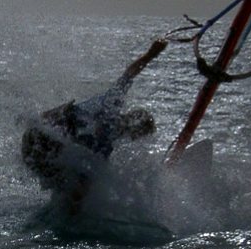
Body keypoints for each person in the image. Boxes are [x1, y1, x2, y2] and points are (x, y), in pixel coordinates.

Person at [21, 38, 168, 214]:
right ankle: (67, 212)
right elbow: (129, 75)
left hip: (33, 145)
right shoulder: (109, 116)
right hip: (42, 142)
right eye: (136, 135)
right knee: (71, 174)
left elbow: (129, 75)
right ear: (133, 129)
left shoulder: (105, 142)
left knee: (71, 176)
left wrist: (152, 54)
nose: (132, 138)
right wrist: (152, 54)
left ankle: (67, 210)